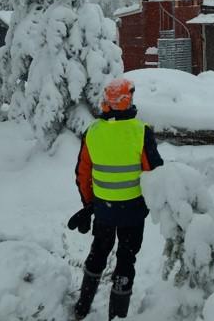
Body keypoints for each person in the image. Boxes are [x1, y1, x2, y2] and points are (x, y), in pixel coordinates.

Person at [71, 77, 164, 320]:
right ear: (128, 101)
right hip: (133, 211)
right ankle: (117, 315)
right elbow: (155, 172)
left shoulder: (92, 132)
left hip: (103, 209)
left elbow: (83, 173)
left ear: (107, 102)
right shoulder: (140, 132)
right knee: (126, 258)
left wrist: (88, 203)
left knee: (98, 252)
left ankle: (82, 306)